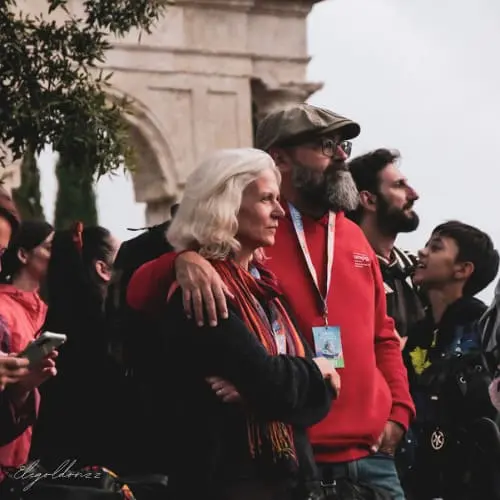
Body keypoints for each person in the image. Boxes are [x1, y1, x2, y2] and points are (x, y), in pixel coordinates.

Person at [127, 104, 414, 499]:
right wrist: (182, 261)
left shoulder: (353, 236)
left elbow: (383, 335)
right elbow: (139, 290)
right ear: (280, 156)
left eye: (343, 145)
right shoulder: (246, 234)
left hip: (371, 459)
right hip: (289, 455)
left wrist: (398, 413)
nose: (342, 156)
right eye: (325, 145)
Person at [157, 147, 335, 499]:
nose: (280, 211)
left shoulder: (265, 288)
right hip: (231, 483)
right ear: (226, 206)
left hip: (292, 479)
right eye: (267, 199)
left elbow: (322, 400)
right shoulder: (204, 289)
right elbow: (273, 382)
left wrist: (269, 389)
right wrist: (319, 370)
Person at [404, 220, 500, 499]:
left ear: (463, 269)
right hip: (418, 477)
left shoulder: (483, 328)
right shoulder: (418, 333)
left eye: (435, 247)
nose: (421, 252)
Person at [30, 224, 129, 472]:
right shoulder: (109, 327)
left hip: (55, 465)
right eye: (122, 254)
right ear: (102, 269)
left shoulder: (55, 324)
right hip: (99, 466)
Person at [347, 148, 425, 343]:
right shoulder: (342, 267)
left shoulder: (416, 271)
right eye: (399, 185)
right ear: (369, 200)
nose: (414, 195)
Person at [0, 220, 57, 471]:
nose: (56, 257)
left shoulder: (46, 312)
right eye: (49, 247)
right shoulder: (3, 308)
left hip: (26, 457)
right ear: (23, 254)